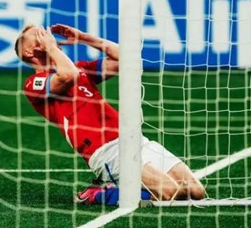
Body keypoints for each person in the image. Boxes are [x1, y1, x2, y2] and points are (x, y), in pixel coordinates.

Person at [15, 23, 206, 205]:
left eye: (45, 32)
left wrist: (85, 38)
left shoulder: (80, 68)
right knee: (169, 192)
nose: (47, 36)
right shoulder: (33, 84)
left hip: (134, 139)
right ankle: (100, 194)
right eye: (39, 35)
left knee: (196, 191)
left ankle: (119, 186)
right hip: (106, 151)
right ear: (28, 52)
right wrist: (51, 47)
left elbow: (128, 60)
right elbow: (68, 75)